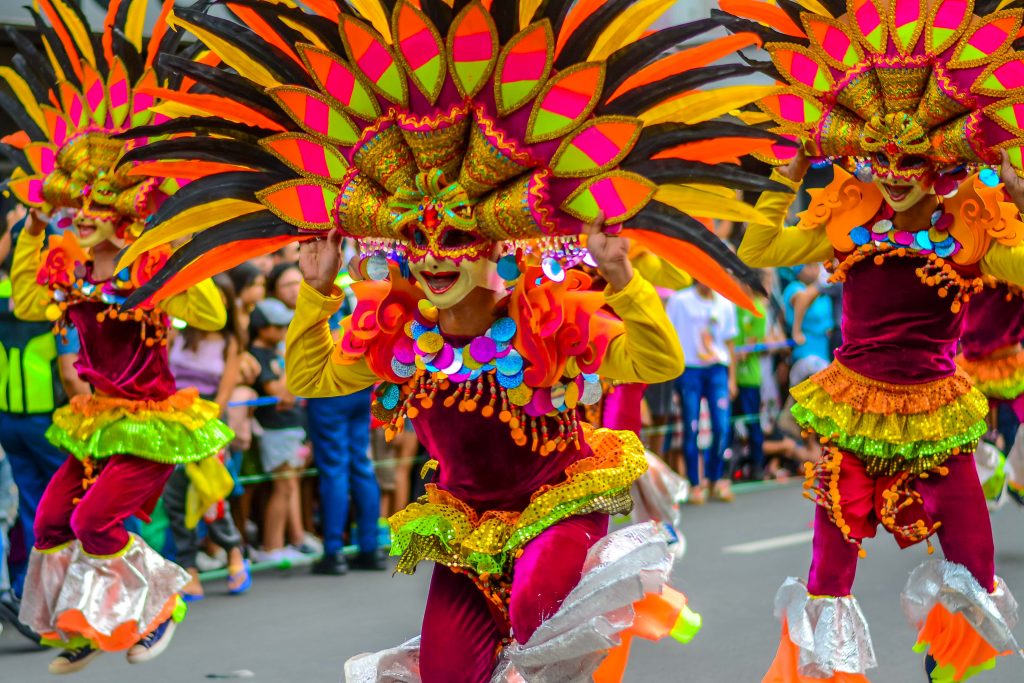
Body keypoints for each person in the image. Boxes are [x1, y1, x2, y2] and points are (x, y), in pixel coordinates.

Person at [118, 2, 786, 679]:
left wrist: (621, 278)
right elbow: (315, 378)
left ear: (494, 243)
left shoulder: (544, 313)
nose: (434, 256)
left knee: (537, 616)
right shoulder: (399, 329)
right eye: (417, 239)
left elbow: (656, 359)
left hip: (559, 503)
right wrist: (316, 293)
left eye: (456, 238)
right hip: (465, 525)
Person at [722, 0, 1024, 678]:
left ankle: (947, 668)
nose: (890, 171)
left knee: (974, 563)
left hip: (938, 413)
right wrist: (790, 174)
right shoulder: (848, 218)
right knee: (829, 569)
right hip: (855, 412)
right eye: (879, 156)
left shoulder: (970, 229)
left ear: (941, 156)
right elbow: (762, 242)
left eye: (908, 155)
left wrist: (1019, 192)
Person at [1, 4, 232, 672]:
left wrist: (172, 241)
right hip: (95, 421)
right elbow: (24, 299)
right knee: (49, 523)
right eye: (77, 208)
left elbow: (213, 314)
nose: (88, 218)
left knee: (91, 523)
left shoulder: (153, 266)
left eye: (103, 206)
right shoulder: (67, 266)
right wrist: (31, 230)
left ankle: (159, 609)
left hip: (154, 426)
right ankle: (83, 624)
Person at [164, 275, 251, 599]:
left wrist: (203, 427)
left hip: (207, 425)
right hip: (172, 424)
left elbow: (224, 395)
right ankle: (189, 568)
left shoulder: (231, 343)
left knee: (211, 494)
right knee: (175, 497)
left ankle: (233, 552)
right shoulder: (179, 335)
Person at [665, 282, 739, 503]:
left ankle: (716, 479)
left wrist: (732, 379)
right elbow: (669, 336)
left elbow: (730, 343)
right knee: (692, 426)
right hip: (690, 370)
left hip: (717, 369)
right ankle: (695, 483)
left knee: (721, 426)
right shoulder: (680, 301)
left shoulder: (725, 303)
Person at [248, 298, 309, 564]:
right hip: (274, 429)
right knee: (283, 487)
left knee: (288, 487)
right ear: (261, 327)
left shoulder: (274, 352)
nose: (283, 331)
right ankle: (271, 547)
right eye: (277, 326)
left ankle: (279, 544)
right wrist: (288, 361)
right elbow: (282, 393)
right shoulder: (258, 355)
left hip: (290, 427)